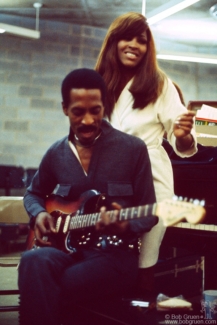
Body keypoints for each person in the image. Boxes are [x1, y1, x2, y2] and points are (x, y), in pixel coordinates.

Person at [18, 68, 158, 325]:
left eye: (95, 110)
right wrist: (39, 214)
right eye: (77, 112)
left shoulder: (133, 149)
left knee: (52, 283)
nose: (87, 120)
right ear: (64, 108)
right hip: (66, 250)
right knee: (31, 262)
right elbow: (33, 193)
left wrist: (124, 224)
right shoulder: (55, 153)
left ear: (104, 106)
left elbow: (150, 211)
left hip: (114, 256)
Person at [95, 12, 197, 291]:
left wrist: (183, 135)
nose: (134, 45)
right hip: (105, 179)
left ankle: (143, 305)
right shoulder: (99, 82)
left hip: (150, 177)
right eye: (127, 38)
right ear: (114, 42)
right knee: (103, 257)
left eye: (141, 40)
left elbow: (184, 145)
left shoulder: (159, 83)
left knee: (144, 262)